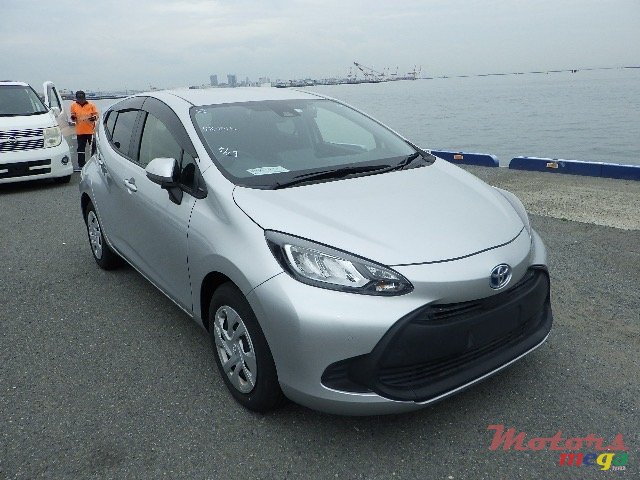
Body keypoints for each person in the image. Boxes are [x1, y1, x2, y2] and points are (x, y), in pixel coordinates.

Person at [69, 91, 99, 171]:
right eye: (79, 98)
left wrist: (93, 118)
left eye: (82, 98)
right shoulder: (73, 105)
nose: (81, 100)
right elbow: (72, 115)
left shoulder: (91, 105)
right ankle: (81, 165)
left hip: (90, 131)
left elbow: (96, 115)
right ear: (77, 98)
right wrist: (73, 117)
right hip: (80, 131)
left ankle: (94, 164)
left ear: (84, 97)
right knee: (80, 149)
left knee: (93, 148)